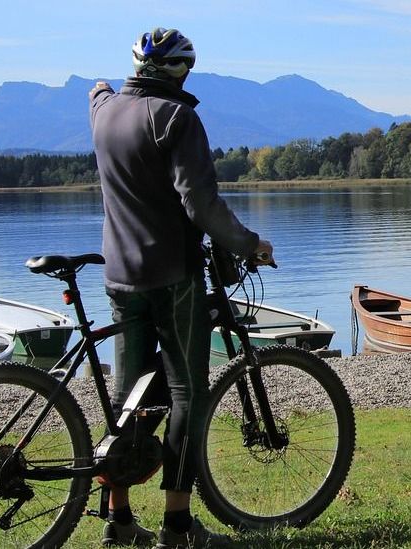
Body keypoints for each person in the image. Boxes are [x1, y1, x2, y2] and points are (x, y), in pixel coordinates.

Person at [90, 27, 273, 547]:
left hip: (119, 276)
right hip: (173, 275)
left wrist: (99, 88)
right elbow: (200, 205)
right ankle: (177, 525)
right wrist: (249, 243)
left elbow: (98, 93)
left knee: (127, 396)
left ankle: (119, 521)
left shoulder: (104, 114)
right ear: (183, 71)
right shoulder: (177, 118)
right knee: (185, 393)